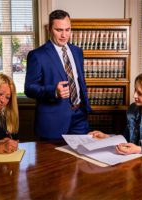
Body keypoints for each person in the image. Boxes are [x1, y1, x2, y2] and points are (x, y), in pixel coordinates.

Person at [24, 10, 91, 140]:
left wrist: (85, 108)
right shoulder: (37, 55)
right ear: (49, 29)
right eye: (59, 30)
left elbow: (80, 81)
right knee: (55, 160)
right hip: (53, 121)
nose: (64, 35)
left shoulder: (77, 52)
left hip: (79, 117)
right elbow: (29, 88)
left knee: (81, 159)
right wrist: (53, 91)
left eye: (67, 30)